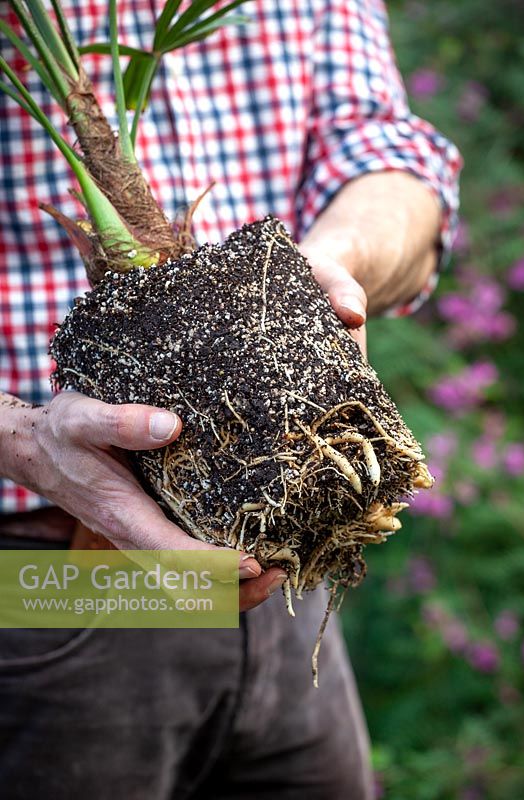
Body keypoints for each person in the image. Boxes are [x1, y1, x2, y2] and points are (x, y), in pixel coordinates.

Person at [0, 0, 462, 797]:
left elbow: (389, 152)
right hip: (46, 589)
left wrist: (328, 269)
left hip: (285, 586)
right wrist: (23, 438)